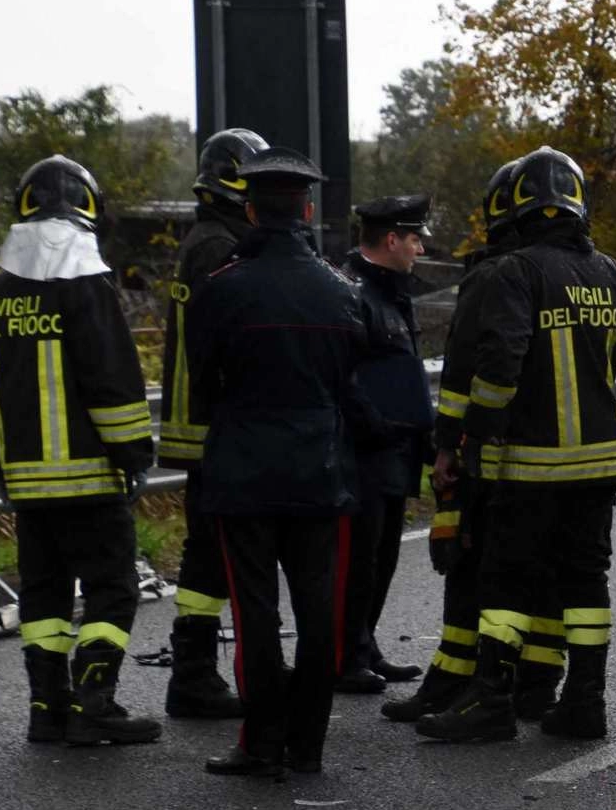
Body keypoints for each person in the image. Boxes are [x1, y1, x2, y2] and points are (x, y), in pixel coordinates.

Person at [416, 146, 616, 742]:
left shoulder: (516, 271)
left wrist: (475, 435)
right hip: (601, 465)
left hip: (529, 465)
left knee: (507, 582)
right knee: (585, 582)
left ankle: (491, 704)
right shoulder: (612, 273)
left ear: (520, 206)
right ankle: (585, 704)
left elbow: (500, 364)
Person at [188, 147, 367, 777]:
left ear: (250, 210)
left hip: (242, 474)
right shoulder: (341, 292)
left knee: (255, 613)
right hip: (320, 472)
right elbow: (354, 384)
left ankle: (260, 744)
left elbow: (201, 387)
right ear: (308, 209)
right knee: (320, 614)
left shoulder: (221, 290)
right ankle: (308, 746)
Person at [382, 159, 569, 722]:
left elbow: (465, 373)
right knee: (542, 569)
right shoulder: (574, 271)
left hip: (486, 453)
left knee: (467, 562)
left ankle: (455, 679)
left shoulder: (496, 275)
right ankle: (535, 681)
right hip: (550, 456)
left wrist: (450, 448)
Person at [0, 155, 161, 745]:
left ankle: (47, 708)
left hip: (26, 484)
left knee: (45, 594)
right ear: (87, 207)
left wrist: (0, 463)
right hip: (90, 476)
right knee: (112, 588)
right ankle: (96, 704)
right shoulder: (88, 283)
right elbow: (112, 378)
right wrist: (136, 450)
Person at [160, 127, 268, 719]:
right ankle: (194, 674)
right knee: (210, 556)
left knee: (209, 553)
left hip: (201, 427)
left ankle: (194, 671)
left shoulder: (206, 239)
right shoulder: (217, 247)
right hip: (214, 429)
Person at [334, 193, 434, 694]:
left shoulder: (392, 292)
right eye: (415, 238)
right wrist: (375, 427)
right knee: (359, 560)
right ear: (391, 239)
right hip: (365, 453)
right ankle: (344, 655)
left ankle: (364, 645)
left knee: (384, 558)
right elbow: (343, 376)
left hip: (397, 451)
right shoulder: (352, 291)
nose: (419, 248)